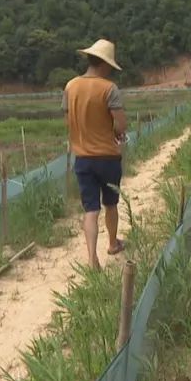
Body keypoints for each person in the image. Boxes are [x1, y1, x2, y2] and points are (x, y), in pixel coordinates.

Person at [62, 38, 128, 269]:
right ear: (104, 63)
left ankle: (92, 259)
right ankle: (112, 243)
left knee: (91, 210)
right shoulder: (109, 88)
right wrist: (116, 133)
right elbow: (120, 125)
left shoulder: (71, 86)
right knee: (110, 204)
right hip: (108, 158)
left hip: (82, 159)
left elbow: (68, 120)